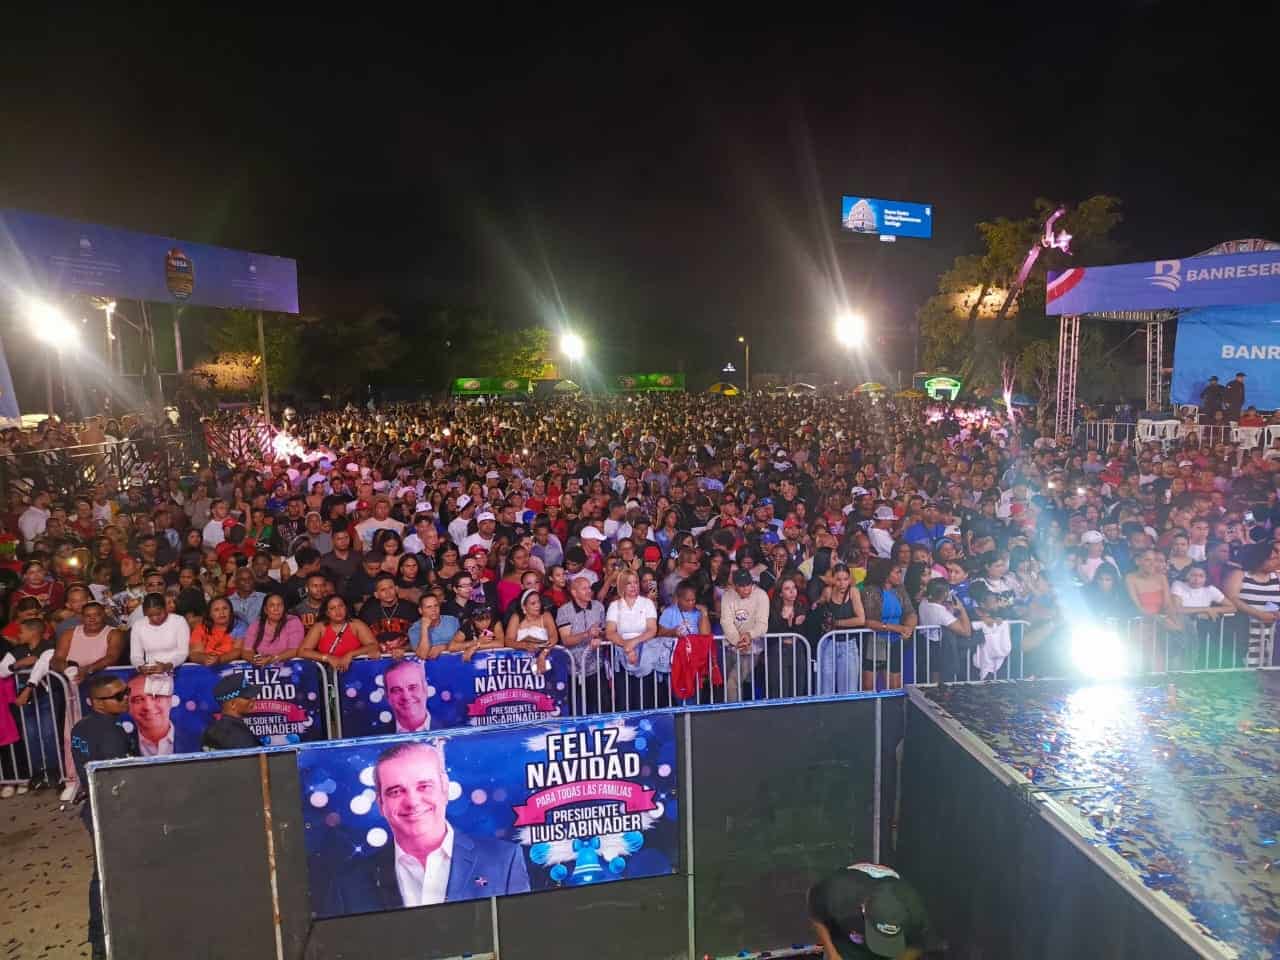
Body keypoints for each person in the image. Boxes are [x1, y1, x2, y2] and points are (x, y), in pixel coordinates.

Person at [324, 741, 530, 912]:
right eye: (396, 791)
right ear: (381, 804)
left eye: (424, 786)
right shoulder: (348, 885)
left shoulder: (504, 861)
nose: (412, 801)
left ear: (445, 789)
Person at [70, 672, 138, 960]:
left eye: (126, 692)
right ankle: (107, 942)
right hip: (112, 813)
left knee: (102, 877)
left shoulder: (81, 727)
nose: (127, 699)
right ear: (95, 702)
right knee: (111, 879)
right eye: (119, 696)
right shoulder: (112, 735)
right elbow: (120, 783)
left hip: (96, 809)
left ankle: (100, 940)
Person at [808, 862, 944, 959]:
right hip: (845, 940)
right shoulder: (838, 894)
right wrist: (832, 953)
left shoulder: (914, 910)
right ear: (863, 909)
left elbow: (919, 943)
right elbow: (815, 912)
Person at [605, 569, 664, 709]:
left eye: (636, 582)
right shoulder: (615, 606)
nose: (633, 586)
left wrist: (633, 643)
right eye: (629, 583)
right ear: (622, 586)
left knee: (644, 699)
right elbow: (610, 632)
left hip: (645, 656)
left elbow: (652, 629)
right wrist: (627, 647)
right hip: (622, 657)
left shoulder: (647, 603)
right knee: (624, 701)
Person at [1223, 538, 1280, 669]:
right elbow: (1232, 598)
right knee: (1246, 669)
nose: (1277, 561)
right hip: (1246, 631)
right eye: (1273, 559)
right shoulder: (1240, 575)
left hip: (1273, 634)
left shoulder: (1277, 577)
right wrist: (1258, 614)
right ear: (1260, 559)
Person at [556, 575, 609, 712]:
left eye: (589, 588)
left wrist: (600, 638)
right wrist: (587, 634)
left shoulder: (598, 607)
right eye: (584, 588)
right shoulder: (564, 611)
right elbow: (566, 640)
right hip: (573, 669)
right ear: (574, 592)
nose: (589, 591)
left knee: (601, 708)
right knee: (577, 710)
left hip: (596, 667)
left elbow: (605, 632)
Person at [720, 567, 770, 700]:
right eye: (742, 586)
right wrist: (738, 641)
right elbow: (726, 622)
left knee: (732, 682)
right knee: (735, 683)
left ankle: (734, 716)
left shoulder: (761, 595)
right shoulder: (728, 596)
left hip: (753, 648)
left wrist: (749, 635)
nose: (746, 589)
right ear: (735, 586)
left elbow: (762, 624)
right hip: (731, 647)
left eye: (748, 584)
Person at [299, 596, 380, 672]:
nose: (338, 611)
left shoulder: (356, 624)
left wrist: (351, 655)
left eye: (340, 606)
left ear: (346, 608)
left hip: (356, 672)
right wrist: (327, 658)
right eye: (332, 608)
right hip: (328, 675)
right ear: (327, 613)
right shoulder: (319, 627)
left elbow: (374, 645)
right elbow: (302, 651)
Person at [201, 673, 262, 751]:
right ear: (233, 704)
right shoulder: (239, 735)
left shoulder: (210, 731)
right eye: (247, 696)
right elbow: (251, 762)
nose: (253, 698)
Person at [244, 593, 306, 666]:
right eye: (272, 605)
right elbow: (246, 651)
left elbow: (294, 650)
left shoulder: (293, 621)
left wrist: (272, 659)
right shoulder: (256, 625)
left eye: (279, 605)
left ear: (284, 608)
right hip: (261, 668)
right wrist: (257, 660)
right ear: (265, 610)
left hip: (289, 667)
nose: (276, 609)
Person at [126, 671, 176, 756]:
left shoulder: (198, 739)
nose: (148, 706)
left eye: (155, 697)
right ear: (128, 707)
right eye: (138, 700)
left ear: (170, 700)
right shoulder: (120, 744)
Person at [408, 594, 464, 660]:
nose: (433, 609)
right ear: (420, 610)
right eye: (429, 607)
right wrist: (424, 628)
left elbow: (463, 644)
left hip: (455, 662)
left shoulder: (452, 621)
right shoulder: (414, 629)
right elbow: (422, 655)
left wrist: (443, 647)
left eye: (436, 605)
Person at [384, 658, 431, 733]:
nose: (406, 697)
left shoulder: (452, 727)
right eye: (397, 690)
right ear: (387, 696)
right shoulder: (373, 735)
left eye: (412, 687)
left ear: (425, 689)